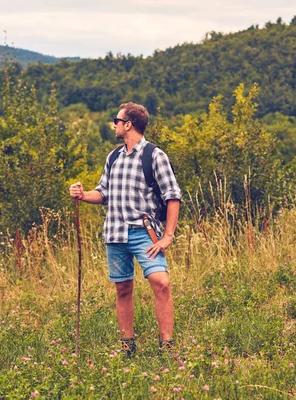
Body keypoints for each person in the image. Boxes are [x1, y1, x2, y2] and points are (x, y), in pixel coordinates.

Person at [69, 102, 181, 357]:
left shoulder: (154, 155)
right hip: (115, 234)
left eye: (117, 120)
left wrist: (168, 237)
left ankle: (167, 347)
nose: (114, 124)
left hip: (144, 233)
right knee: (122, 288)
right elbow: (103, 193)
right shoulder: (114, 156)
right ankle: (127, 346)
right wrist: (82, 194)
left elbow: (173, 196)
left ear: (128, 124)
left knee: (161, 283)